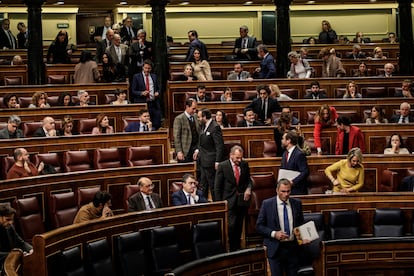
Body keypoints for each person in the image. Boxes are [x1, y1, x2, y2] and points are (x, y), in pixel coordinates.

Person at [256, 178, 305, 276]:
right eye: (283, 191)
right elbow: (259, 226)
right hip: (275, 248)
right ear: (277, 190)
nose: (286, 194)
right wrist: (274, 234)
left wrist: (303, 237)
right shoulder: (267, 204)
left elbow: (299, 224)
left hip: (292, 248)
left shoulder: (297, 203)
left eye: (288, 191)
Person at [215, 145, 253, 251]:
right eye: (237, 158)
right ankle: (232, 249)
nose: (239, 160)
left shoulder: (244, 164)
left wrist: (249, 189)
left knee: (239, 226)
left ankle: (237, 248)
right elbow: (217, 187)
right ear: (231, 155)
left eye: (241, 157)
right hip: (228, 201)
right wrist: (219, 204)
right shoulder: (223, 166)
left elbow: (248, 180)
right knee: (231, 226)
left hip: (241, 201)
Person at [194, 109, 224, 200]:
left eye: (199, 117)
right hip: (203, 161)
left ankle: (217, 205)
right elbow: (202, 141)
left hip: (211, 162)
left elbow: (219, 146)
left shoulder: (215, 127)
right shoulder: (203, 125)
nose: (198, 119)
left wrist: (218, 161)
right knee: (203, 185)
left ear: (204, 117)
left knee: (213, 186)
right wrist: (197, 150)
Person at [0, 203, 33, 270]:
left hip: (10, 262)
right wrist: (15, 255)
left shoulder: (10, 227)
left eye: (12, 219)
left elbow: (21, 243)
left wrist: (32, 250)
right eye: (8, 219)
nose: (11, 222)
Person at [131, 59, 162, 130]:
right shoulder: (136, 77)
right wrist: (141, 93)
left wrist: (157, 92)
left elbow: (158, 88)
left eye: (149, 68)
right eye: (146, 68)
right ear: (142, 67)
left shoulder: (154, 76)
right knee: (144, 124)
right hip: (143, 103)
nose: (147, 70)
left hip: (153, 103)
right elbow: (133, 91)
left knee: (156, 123)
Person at [173, 98, 200, 163]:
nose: (195, 111)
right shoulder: (179, 119)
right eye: (193, 109)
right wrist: (179, 151)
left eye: (195, 108)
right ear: (187, 107)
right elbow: (177, 137)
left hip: (196, 148)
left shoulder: (196, 116)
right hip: (185, 150)